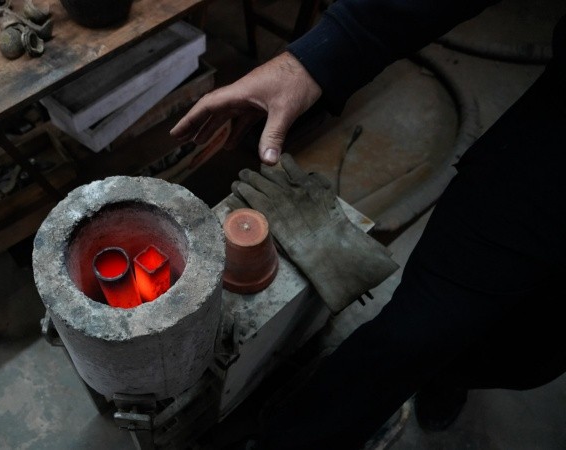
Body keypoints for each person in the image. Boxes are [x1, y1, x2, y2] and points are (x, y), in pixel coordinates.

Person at [171, 0, 566, 448]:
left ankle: (454, 372)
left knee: (528, 357)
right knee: (413, 334)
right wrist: (312, 59)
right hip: (545, 164)